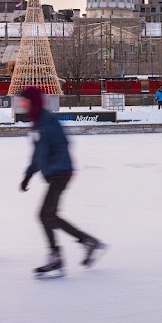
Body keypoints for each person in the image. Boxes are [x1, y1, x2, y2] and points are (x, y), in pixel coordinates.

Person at [17, 87, 105, 278]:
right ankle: (88, 241)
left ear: (32, 101)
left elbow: (63, 143)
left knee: (44, 214)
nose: (21, 104)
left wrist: (55, 166)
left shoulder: (47, 120)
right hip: (56, 173)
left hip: (61, 172)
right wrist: (28, 175)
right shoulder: (37, 122)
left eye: (24, 100)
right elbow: (37, 153)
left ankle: (56, 256)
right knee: (51, 216)